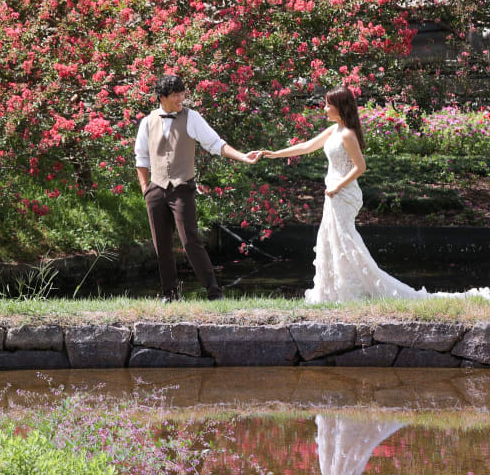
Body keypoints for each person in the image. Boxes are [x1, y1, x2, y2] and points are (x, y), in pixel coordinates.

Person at [259, 86, 489, 303]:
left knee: (345, 240)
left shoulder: (347, 134)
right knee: (331, 239)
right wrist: (273, 154)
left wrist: (338, 186)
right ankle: (336, 290)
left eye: (328, 104)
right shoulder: (333, 130)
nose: (325, 108)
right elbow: (306, 146)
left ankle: (360, 288)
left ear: (340, 107)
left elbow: (360, 167)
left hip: (344, 193)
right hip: (334, 193)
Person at [134, 74, 260, 302]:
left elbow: (215, 143)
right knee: (160, 244)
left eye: (182, 94)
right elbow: (141, 158)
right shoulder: (147, 122)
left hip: (182, 188)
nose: (181, 98)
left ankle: (214, 292)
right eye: (175, 96)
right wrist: (145, 189)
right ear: (161, 97)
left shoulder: (191, 117)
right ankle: (170, 295)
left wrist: (243, 156)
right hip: (155, 189)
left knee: (190, 240)